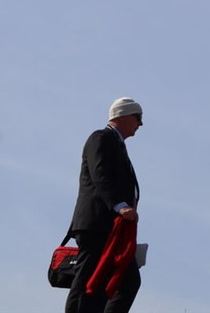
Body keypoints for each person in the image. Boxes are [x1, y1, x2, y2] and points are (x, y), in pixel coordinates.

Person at [66, 97, 143, 313]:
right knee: (88, 279)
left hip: (112, 229)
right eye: (138, 117)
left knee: (127, 281)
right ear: (124, 115)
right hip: (97, 224)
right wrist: (120, 205)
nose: (140, 124)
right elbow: (100, 174)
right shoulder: (101, 137)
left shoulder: (117, 145)